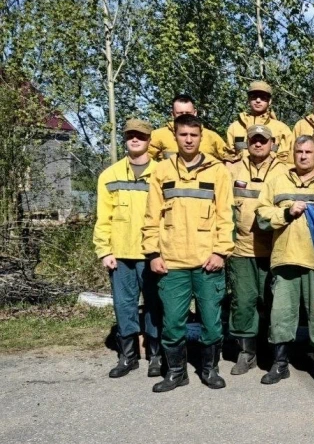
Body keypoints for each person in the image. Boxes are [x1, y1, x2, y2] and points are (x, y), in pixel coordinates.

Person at [142, 114, 235, 392]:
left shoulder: (217, 171)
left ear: (201, 135)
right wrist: (153, 253)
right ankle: (176, 373)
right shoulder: (161, 170)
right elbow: (151, 216)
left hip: (208, 262)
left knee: (211, 322)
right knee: (172, 324)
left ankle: (210, 369)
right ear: (176, 136)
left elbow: (225, 215)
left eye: (194, 135)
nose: (189, 140)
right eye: (183, 135)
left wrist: (220, 252)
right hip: (172, 263)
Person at [255, 135, 314, 386]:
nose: (303, 156)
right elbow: (262, 216)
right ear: (293, 154)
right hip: (285, 258)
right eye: (299, 151)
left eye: (308, 152)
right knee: (281, 315)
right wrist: (287, 211)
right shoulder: (277, 181)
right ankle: (280, 364)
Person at [93, 119, 162, 379]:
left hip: (151, 253)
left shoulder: (161, 172)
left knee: (155, 306)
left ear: (149, 140)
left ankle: (156, 356)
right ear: (125, 139)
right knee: (124, 305)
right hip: (120, 254)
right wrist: (104, 250)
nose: (135, 140)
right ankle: (128, 356)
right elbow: (103, 217)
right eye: (131, 135)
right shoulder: (109, 175)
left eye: (141, 136)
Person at [226, 125, 288, 376]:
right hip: (242, 249)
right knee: (243, 302)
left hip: (275, 249)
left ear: (272, 143)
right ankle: (246, 352)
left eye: (263, 140)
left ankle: (274, 353)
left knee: (274, 304)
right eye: (254, 140)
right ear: (247, 143)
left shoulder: (284, 171)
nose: (259, 144)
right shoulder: (232, 170)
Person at [148, 94, 235, 162]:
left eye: (188, 112)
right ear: (172, 114)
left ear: (195, 113)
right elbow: (143, 160)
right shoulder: (158, 135)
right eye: (180, 113)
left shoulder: (211, 136)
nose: (185, 116)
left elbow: (229, 159)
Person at [226, 81, 294, 165]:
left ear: (269, 101)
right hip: (241, 174)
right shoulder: (235, 127)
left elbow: (287, 160)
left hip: (271, 175)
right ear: (248, 99)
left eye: (263, 97)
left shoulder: (281, 129)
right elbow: (229, 157)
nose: (258, 100)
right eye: (254, 97)